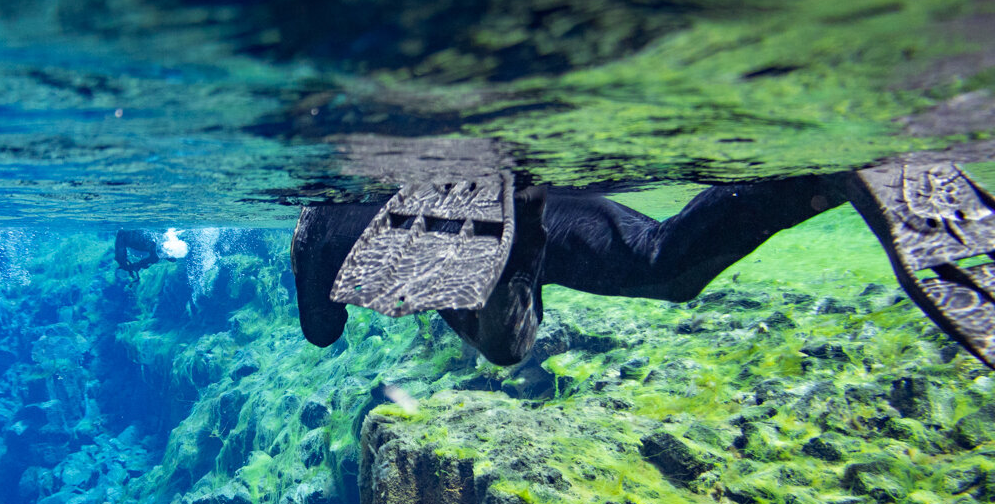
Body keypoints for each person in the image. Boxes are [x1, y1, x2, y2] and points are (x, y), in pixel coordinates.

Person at [291, 174, 851, 365]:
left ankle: (506, 217)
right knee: (667, 271)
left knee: (505, 346)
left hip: (446, 222)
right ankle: (815, 186)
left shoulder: (344, 238)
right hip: (499, 228)